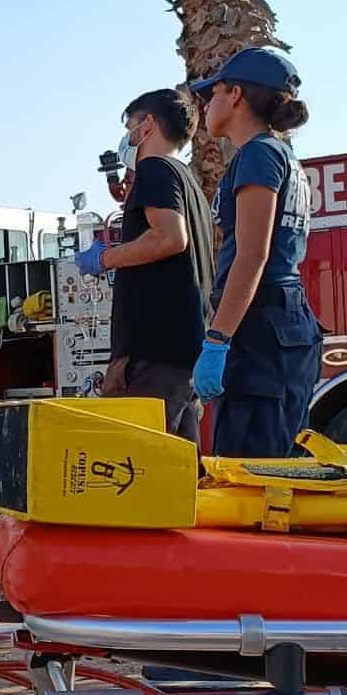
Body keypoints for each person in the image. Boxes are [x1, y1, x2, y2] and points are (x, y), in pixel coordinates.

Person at [188, 47, 320, 457]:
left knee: (254, 473)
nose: (207, 105)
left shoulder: (259, 154)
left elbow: (252, 254)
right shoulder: (283, 156)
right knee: (280, 465)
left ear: (237, 94)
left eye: (214, 93)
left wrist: (217, 339)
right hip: (280, 322)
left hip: (261, 328)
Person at [76, 90, 214, 442]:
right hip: (181, 353)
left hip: (153, 353)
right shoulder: (186, 179)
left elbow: (169, 238)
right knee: (178, 470)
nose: (127, 137)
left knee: (136, 463)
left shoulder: (154, 170)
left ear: (148, 125)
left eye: (130, 126)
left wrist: (105, 258)